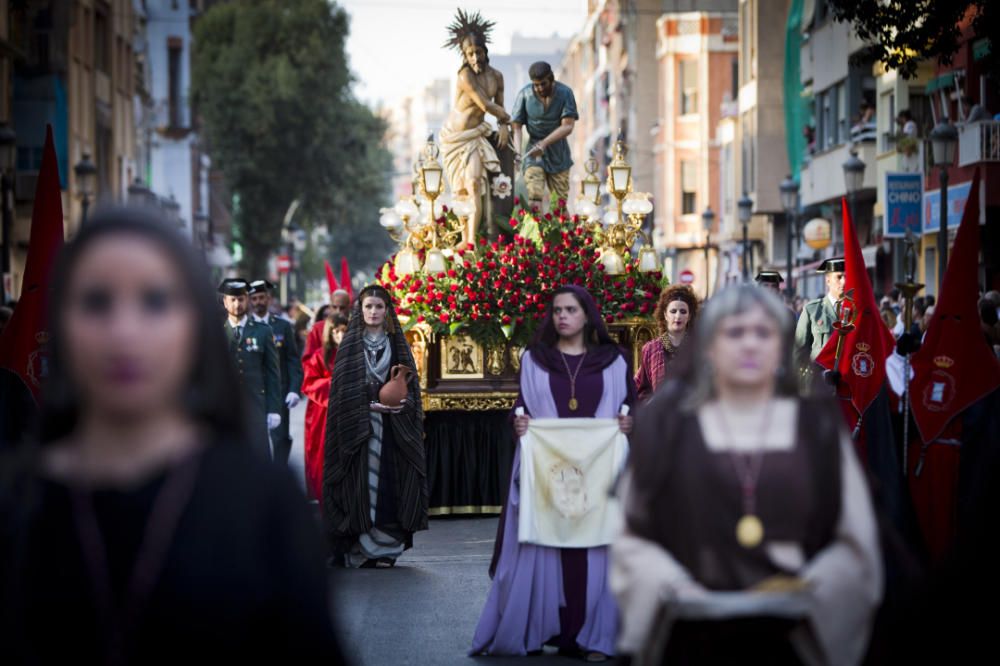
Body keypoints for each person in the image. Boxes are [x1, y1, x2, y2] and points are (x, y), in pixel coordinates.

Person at [0, 206, 344, 663]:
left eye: (156, 301)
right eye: (97, 302)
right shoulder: (16, 505)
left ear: (192, 324)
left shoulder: (263, 503)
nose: (124, 332)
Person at [611, 285, 882, 664]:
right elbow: (633, 534)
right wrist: (672, 585)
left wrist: (813, 587)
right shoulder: (672, 426)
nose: (749, 345)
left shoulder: (814, 428)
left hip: (791, 630)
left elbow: (854, 537)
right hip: (692, 623)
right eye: (735, 333)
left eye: (764, 332)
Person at [471, 285, 636, 661]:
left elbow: (631, 404)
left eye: (570, 310)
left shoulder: (614, 360)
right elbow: (522, 407)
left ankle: (595, 635)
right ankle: (544, 629)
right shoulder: (536, 360)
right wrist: (519, 424)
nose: (562, 316)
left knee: (595, 550)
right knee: (548, 547)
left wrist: (629, 423)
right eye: (557, 310)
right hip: (550, 474)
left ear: (587, 315)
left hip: (599, 474)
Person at [323, 285, 426, 568]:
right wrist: (366, 406)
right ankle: (361, 547)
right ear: (361, 309)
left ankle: (385, 549)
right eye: (368, 306)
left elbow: (412, 388)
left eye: (379, 307)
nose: (373, 312)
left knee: (389, 485)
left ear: (387, 311)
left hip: (392, 429)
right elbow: (342, 392)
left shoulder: (397, 344)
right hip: (359, 429)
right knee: (360, 485)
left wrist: (401, 405)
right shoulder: (350, 346)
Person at [220, 278, 282, 459]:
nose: (237, 304)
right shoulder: (217, 332)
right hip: (227, 408)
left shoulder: (263, 331)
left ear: (247, 300)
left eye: (241, 299)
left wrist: (274, 408)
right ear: (225, 302)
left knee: (259, 458)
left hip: (257, 406)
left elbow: (272, 373)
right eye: (232, 299)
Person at [511, 61, 579, 210]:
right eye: (536, 85)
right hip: (533, 153)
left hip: (559, 154)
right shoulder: (525, 95)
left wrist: (545, 143)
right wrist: (517, 153)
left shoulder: (565, 93)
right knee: (534, 196)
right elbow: (516, 127)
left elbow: (568, 126)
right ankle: (535, 231)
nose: (540, 88)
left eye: (543, 84)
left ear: (552, 79)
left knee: (559, 204)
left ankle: (560, 232)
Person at [249, 279, 303, 465]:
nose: (258, 302)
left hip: (278, 393)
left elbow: (292, 359)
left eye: (261, 298)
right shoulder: (244, 328)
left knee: (280, 438)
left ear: (269, 299)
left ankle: (279, 476)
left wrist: (294, 389)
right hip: (253, 395)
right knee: (256, 442)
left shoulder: (282, 326)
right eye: (254, 298)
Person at [302, 313, 347, 503]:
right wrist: (334, 384)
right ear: (329, 333)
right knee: (323, 457)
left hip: (348, 411)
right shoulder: (319, 357)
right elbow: (309, 384)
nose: (340, 336)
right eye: (336, 332)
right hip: (323, 415)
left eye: (344, 331)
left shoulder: (356, 354)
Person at [634, 284, 698, 402]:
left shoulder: (698, 348)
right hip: (660, 415)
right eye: (673, 311)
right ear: (665, 315)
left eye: (683, 311)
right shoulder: (650, 349)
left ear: (689, 316)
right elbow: (642, 390)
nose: (678, 316)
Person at [793, 257, 845, 372]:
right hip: (819, 381)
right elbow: (799, 352)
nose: (844, 282)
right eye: (839, 277)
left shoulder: (856, 312)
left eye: (847, 277)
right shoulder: (812, 310)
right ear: (828, 280)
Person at [305, 289, 350, 357]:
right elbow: (308, 360)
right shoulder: (317, 328)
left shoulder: (355, 327)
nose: (338, 311)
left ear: (348, 307)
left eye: (342, 308)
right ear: (330, 307)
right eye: (334, 307)